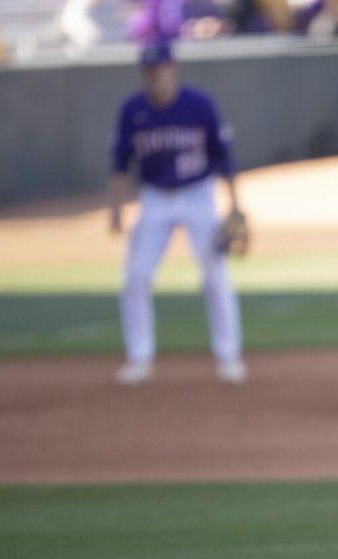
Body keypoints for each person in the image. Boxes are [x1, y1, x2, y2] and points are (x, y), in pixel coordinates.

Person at [108, 41, 245, 385]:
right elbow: (120, 163)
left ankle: (228, 356)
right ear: (144, 74)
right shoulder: (133, 110)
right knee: (136, 277)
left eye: (161, 69)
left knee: (215, 275)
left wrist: (234, 205)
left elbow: (224, 158)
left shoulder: (199, 105)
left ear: (174, 69)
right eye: (150, 71)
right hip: (155, 197)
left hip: (199, 195)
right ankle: (139, 357)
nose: (156, 76)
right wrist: (116, 209)